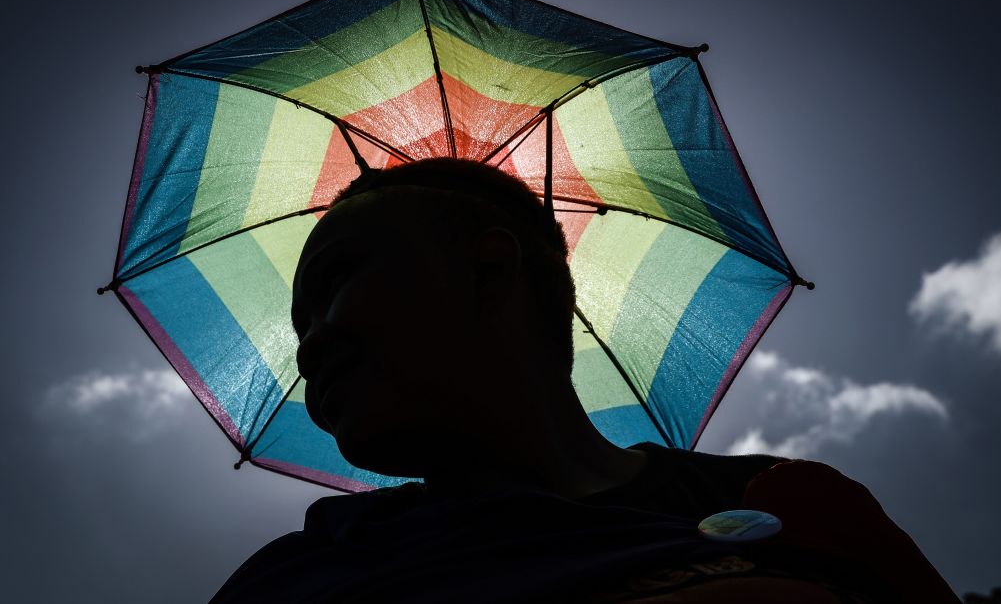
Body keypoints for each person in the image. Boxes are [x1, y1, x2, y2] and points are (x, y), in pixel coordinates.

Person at [212, 158, 958, 603]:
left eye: (335, 284)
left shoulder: (786, 502)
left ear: (490, 268)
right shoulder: (306, 571)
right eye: (299, 323)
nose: (311, 348)